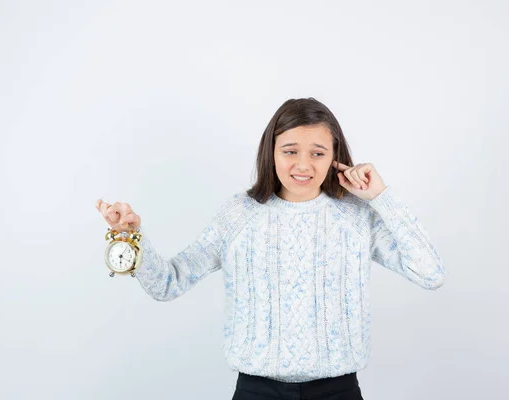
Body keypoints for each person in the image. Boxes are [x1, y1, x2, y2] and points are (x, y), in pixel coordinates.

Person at [95, 97, 446, 400]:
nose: (303, 165)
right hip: (256, 392)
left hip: (338, 391)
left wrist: (380, 197)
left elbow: (430, 273)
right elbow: (167, 283)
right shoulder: (238, 215)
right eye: (290, 151)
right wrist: (130, 238)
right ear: (271, 151)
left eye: (317, 153)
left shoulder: (356, 217)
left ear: (335, 157)